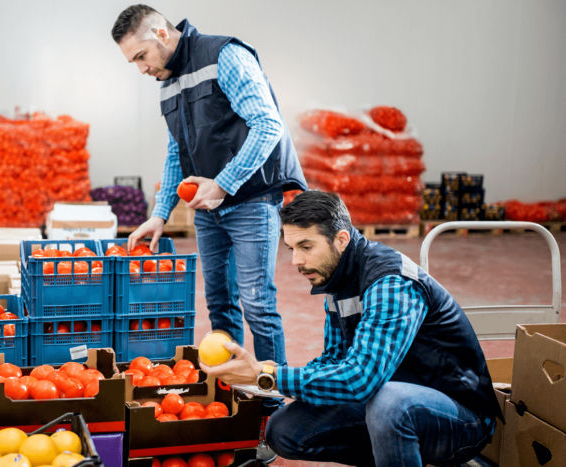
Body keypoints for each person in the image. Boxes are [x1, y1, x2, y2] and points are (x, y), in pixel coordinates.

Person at [201, 190, 502, 467]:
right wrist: (263, 378)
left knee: (390, 406)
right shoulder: (337, 280)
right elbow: (334, 360)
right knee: (285, 430)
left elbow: (360, 378)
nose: (296, 260)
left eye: (306, 247)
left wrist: (269, 376)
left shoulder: (389, 282)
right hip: (388, 396)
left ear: (341, 239)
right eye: (292, 248)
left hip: (458, 416)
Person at [111, 7, 307, 370]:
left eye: (142, 56)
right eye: (133, 62)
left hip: (251, 200)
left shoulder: (225, 56)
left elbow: (268, 125)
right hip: (208, 209)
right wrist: (159, 214)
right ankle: (233, 385)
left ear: (162, 34)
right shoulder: (168, 83)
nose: (141, 69)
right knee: (220, 304)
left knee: (257, 304)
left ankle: (270, 396)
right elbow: (176, 152)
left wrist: (223, 183)